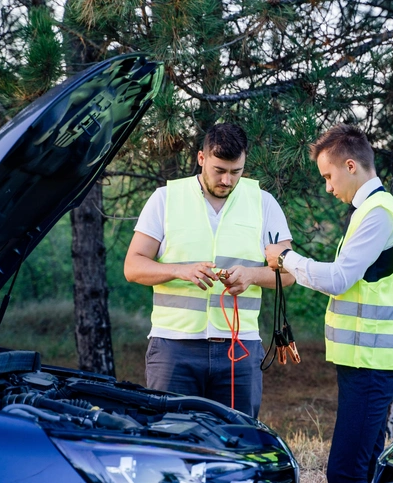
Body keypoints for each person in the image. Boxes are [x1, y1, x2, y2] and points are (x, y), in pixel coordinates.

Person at [265, 124, 393, 483]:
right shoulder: (374, 210)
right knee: (362, 467)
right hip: (367, 361)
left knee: (345, 472)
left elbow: (338, 279)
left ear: (351, 166)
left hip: (372, 363)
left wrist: (286, 258)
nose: (328, 187)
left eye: (329, 176)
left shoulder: (378, 213)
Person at [124, 122, 294, 418]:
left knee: (237, 443)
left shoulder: (264, 204)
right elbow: (133, 266)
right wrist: (179, 270)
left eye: (236, 171)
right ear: (201, 158)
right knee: (172, 439)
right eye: (219, 170)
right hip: (173, 348)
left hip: (239, 350)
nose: (227, 180)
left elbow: (289, 273)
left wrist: (252, 275)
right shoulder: (165, 199)